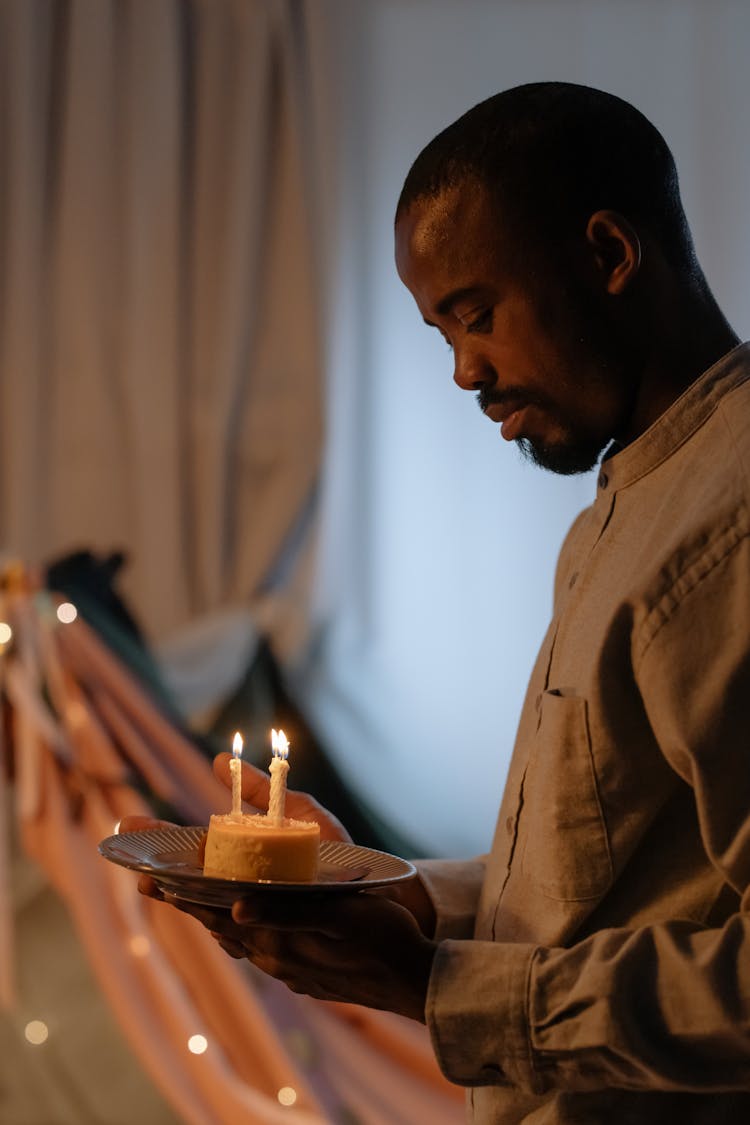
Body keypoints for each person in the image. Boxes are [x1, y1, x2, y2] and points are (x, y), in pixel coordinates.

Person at [129, 82, 750, 1122]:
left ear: (607, 255)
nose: (465, 371)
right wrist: (389, 893)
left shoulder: (727, 528)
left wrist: (432, 985)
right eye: (439, 331)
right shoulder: (626, 504)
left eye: (476, 314)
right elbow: (599, 881)